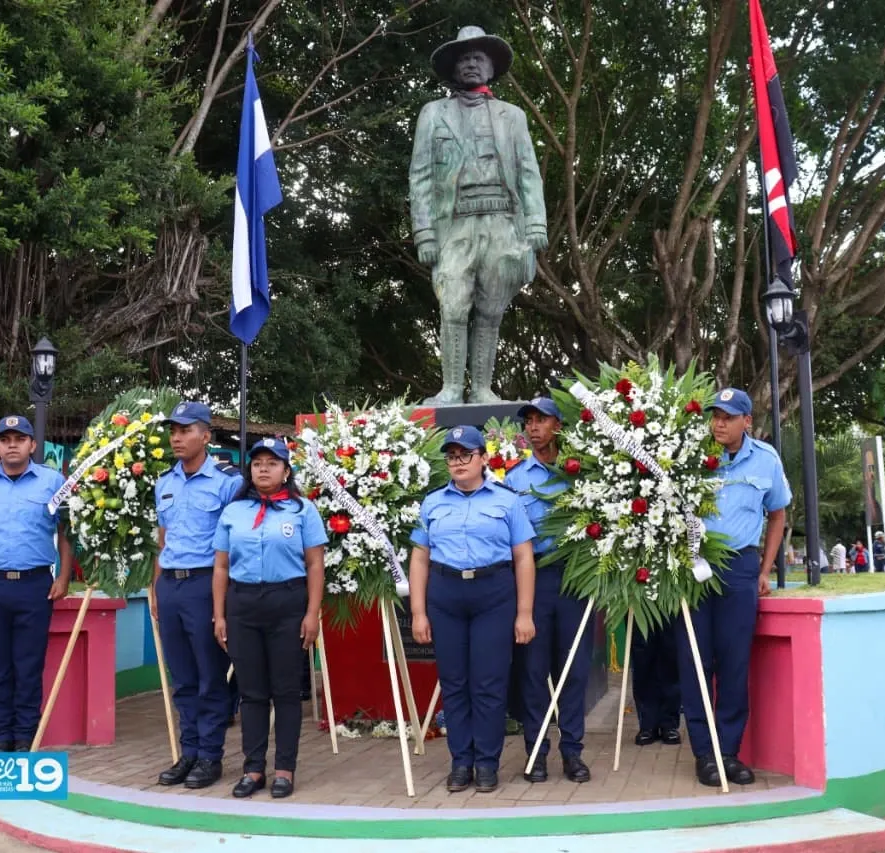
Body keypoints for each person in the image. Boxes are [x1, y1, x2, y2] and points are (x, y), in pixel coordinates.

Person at [409, 26, 548, 405]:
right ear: (454, 69)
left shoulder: (512, 116)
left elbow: (528, 172)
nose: (471, 64)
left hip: (502, 223)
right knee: (453, 305)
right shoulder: (433, 113)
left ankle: (483, 389)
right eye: (464, 59)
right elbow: (420, 176)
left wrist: (536, 222)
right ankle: (452, 388)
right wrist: (424, 233)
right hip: (454, 226)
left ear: (490, 68)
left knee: (490, 310)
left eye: (478, 58)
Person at [409, 425, 537, 794]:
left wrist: (524, 613)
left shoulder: (507, 501)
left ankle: (486, 762)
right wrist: (418, 612)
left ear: (483, 458)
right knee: (454, 683)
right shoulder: (433, 503)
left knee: (488, 683)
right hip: (446, 594)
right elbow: (420, 558)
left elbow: (523, 557)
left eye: (466, 454)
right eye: (452, 456)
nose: (458, 462)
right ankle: (461, 761)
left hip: (493, 594)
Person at [678, 388, 790, 788]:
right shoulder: (692, 457)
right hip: (694, 566)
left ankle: (728, 751)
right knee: (695, 662)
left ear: (747, 421)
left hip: (740, 566)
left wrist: (765, 569)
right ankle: (704, 754)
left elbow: (777, 514)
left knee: (734, 662)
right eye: (715, 416)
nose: (719, 424)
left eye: (728, 417)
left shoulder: (766, 459)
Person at [213, 438, 325, 800]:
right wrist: (219, 614)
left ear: (286, 471)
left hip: (287, 603)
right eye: (258, 462)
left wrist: (312, 613)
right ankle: (253, 768)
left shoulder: (303, 510)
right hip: (243, 604)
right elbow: (221, 566)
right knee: (251, 692)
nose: (264, 468)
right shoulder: (234, 512)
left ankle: (285, 769)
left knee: (286, 691)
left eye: (272, 462)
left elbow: (315, 564)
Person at [0, 415, 71, 752]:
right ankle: (2, 736)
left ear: (32, 445)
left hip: (35, 586)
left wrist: (64, 576)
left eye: (19, 439)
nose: (12, 445)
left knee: (29, 664)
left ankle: (25, 737)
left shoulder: (53, 481)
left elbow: (67, 530)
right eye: (5, 440)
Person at [150, 401, 242, 789]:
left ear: (206, 436)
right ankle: (188, 751)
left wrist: (225, 600)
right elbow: (164, 539)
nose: (177, 437)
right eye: (173, 431)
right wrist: (156, 587)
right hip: (170, 585)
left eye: (185, 430)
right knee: (183, 676)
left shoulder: (228, 482)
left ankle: (209, 755)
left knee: (209, 675)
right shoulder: (164, 483)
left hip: (205, 585)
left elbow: (235, 542)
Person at [505, 397, 592, 784]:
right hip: (533, 579)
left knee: (573, 669)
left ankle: (573, 752)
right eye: (529, 421)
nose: (533, 427)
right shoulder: (515, 479)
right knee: (533, 670)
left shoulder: (582, 472)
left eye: (541, 420)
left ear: (559, 426)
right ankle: (536, 752)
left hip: (575, 577)